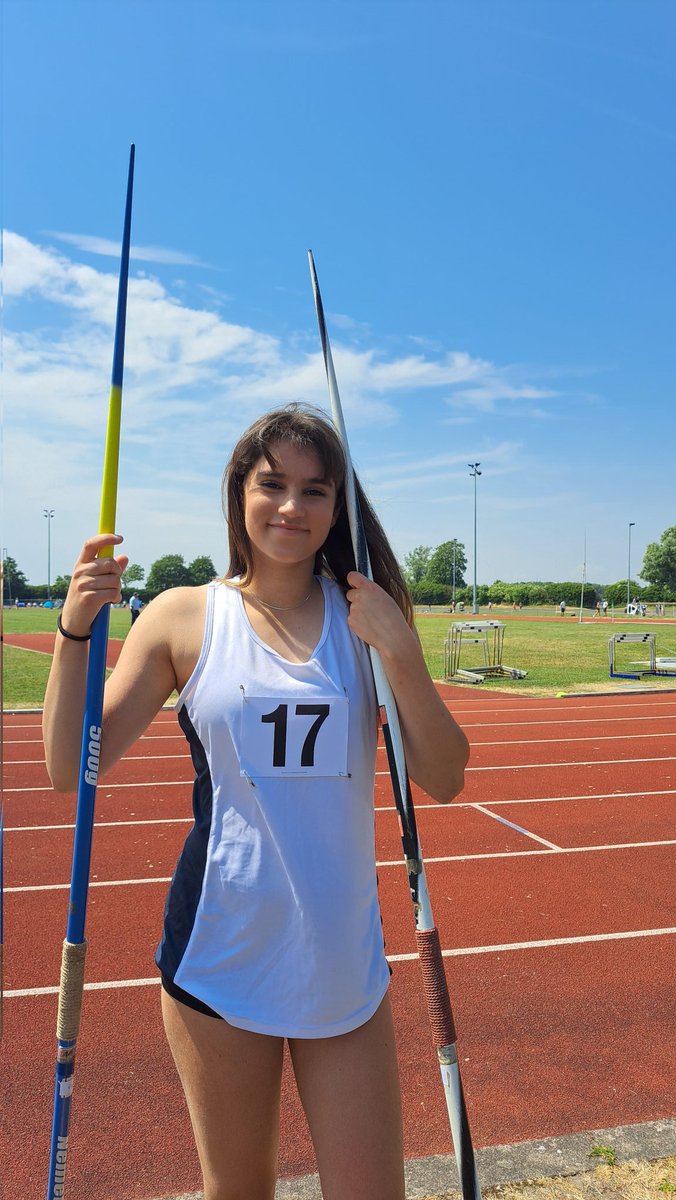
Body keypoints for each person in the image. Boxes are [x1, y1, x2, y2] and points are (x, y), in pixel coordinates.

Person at [42, 404, 469, 1200]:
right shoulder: (182, 617)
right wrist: (73, 633)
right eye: (272, 484)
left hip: (342, 963)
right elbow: (71, 766)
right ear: (239, 492)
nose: (291, 507)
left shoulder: (366, 618)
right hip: (220, 958)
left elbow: (445, 777)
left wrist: (402, 652)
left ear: (337, 509)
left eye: (315, 490)